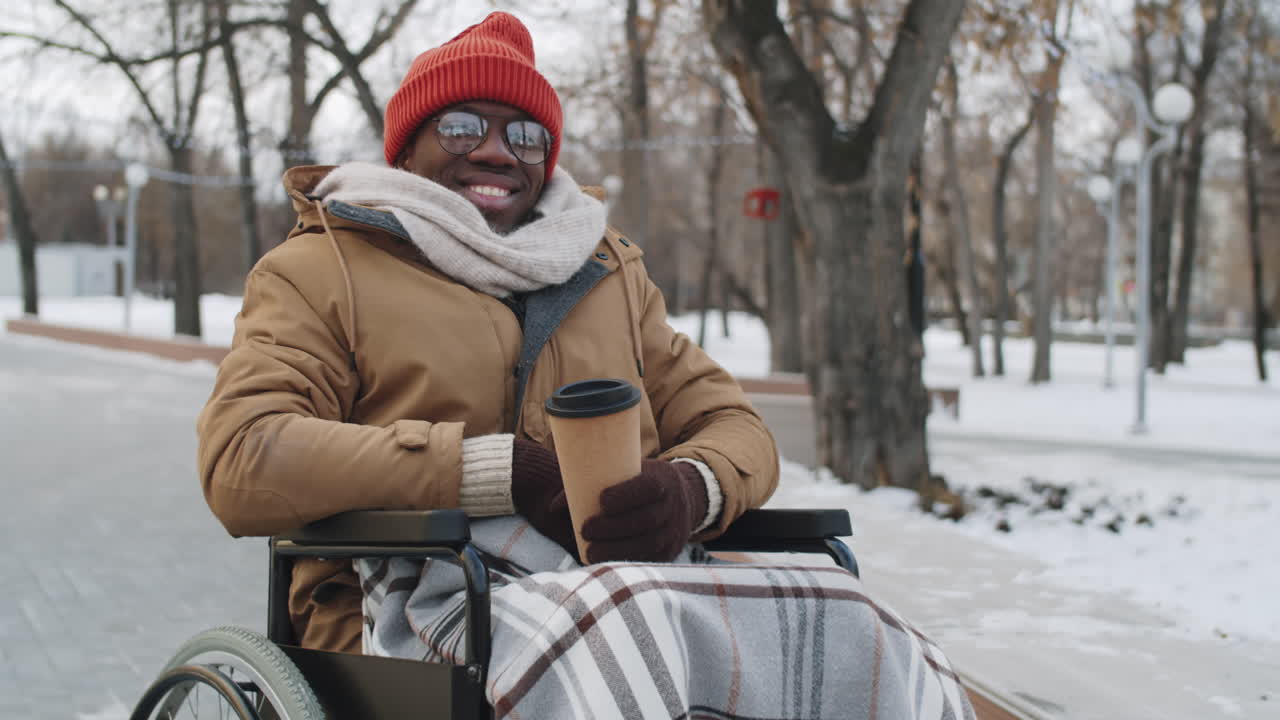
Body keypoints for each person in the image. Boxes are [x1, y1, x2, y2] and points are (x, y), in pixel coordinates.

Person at [197, 11, 974, 719]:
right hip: (405, 600)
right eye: (465, 125)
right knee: (617, 632)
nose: (498, 150)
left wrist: (689, 487)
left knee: (851, 621)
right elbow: (241, 456)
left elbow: (733, 426)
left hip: (625, 581)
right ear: (408, 146)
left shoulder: (605, 272)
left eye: (527, 134)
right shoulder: (322, 268)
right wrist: (498, 473)